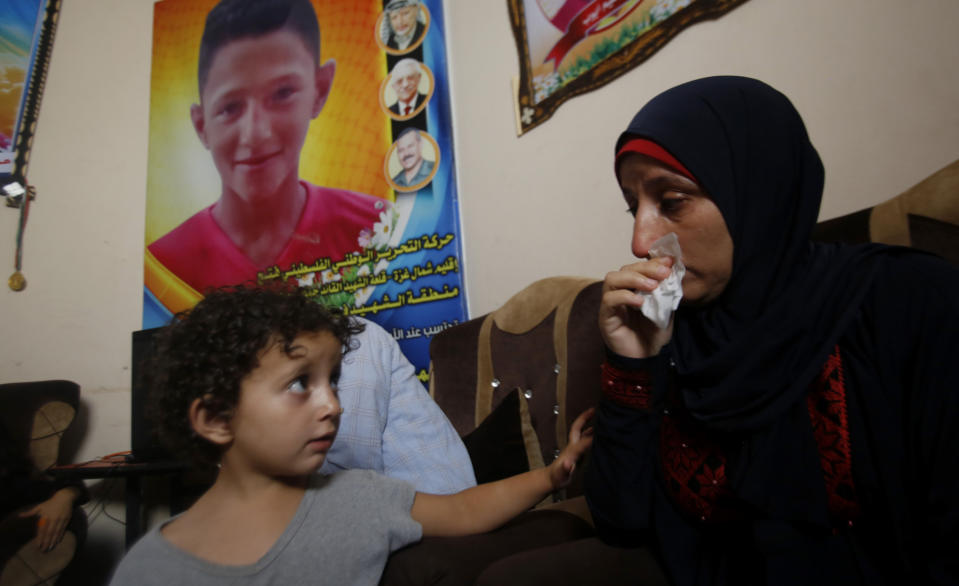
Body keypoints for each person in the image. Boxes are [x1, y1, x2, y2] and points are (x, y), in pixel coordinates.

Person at [584, 76, 959, 584]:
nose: (640, 240)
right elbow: (621, 521)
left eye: (671, 200)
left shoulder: (909, 303)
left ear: (757, 190)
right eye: (634, 207)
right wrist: (632, 363)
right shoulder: (674, 335)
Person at [108, 286, 593, 585]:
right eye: (301, 383)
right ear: (216, 418)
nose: (334, 405)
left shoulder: (361, 498)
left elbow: (466, 509)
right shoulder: (151, 570)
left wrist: (553, 474)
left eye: (334, 379)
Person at [147, 0, 388, 295]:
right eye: (230, 107)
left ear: (320, 89)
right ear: (201, 126)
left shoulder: (380, 231)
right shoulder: (163, 266)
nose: (256, 133)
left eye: (283, 93)